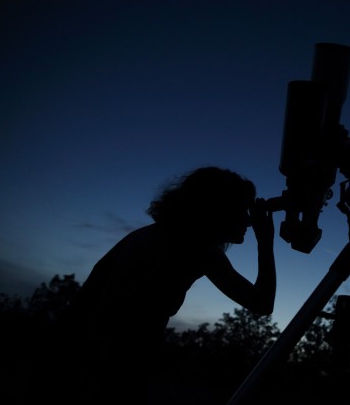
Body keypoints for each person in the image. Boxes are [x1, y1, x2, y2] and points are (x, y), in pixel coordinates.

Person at [47, 166, 276, 404]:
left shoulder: (170, 239)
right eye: (241, 209)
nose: (248, 220)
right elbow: (261, 302)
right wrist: (265, 242)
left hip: (85, 359)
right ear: (216, 209)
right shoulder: (194, 250)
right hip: (95, 364)